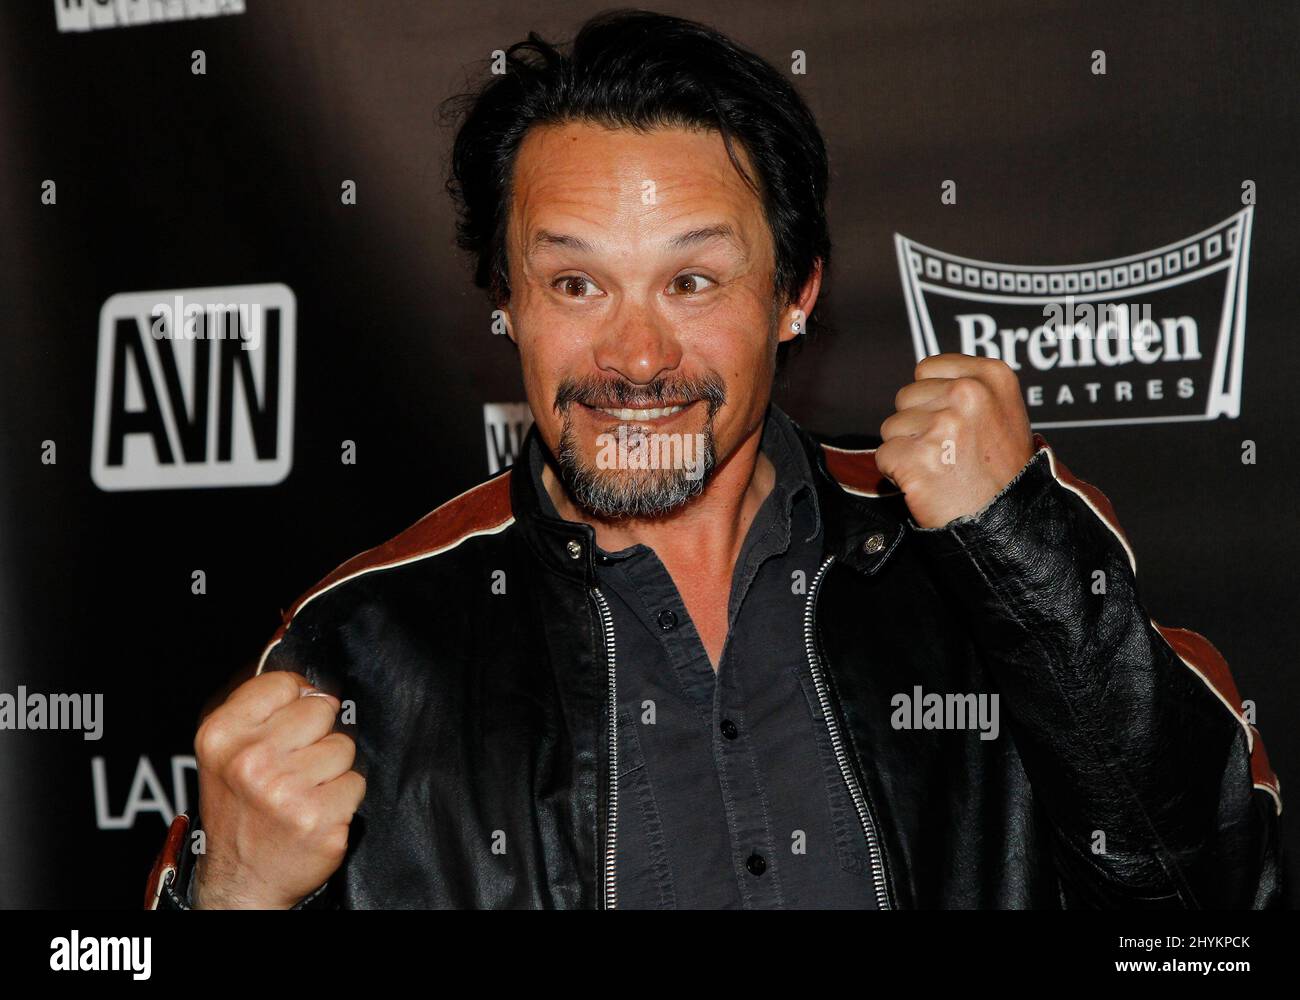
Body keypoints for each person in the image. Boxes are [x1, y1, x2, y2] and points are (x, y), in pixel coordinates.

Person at [145, 9, 1280, 910]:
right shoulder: (365, 640)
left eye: (692, 282)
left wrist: (1018, 552)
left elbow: (1216, 902)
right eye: (575, 283)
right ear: (509, 305)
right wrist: (230, 897)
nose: (634, 355)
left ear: (795, 296)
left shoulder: (988, 552)